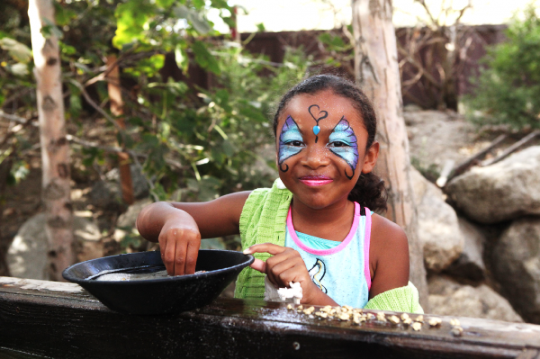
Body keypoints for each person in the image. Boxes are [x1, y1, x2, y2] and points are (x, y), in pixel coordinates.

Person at [136, 74, 423, 313]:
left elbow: (386, 340)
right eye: (295, 141)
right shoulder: (254, 208)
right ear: (276, 150)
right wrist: (176, 219)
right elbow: (148, 218)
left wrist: (312, 297)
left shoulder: (385, 241)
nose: (314, 159)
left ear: (369, 157)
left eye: (337, 144)